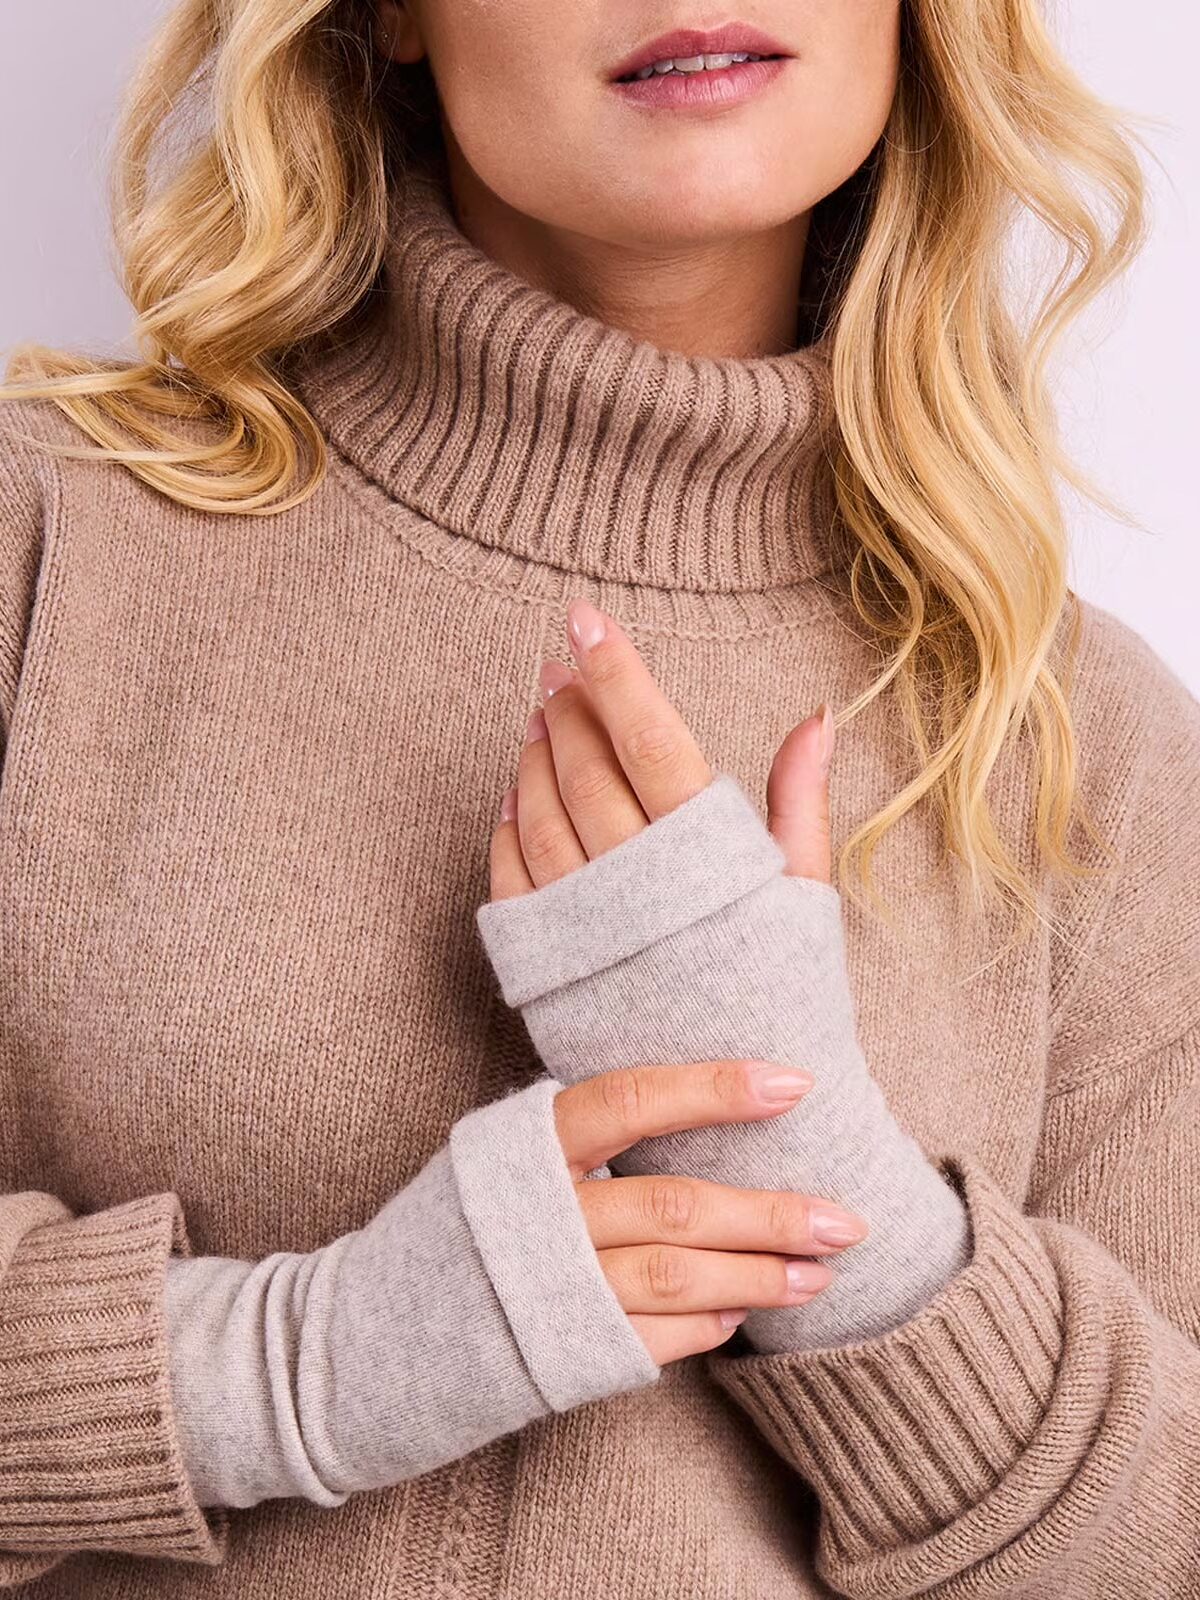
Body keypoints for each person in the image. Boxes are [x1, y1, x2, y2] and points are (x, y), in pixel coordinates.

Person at [0, 0, 1195, 1595]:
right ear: (391, 16)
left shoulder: (1086, 743)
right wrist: (294, 1369)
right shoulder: (44, 545)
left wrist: (819, 1186)